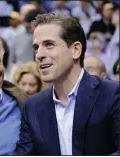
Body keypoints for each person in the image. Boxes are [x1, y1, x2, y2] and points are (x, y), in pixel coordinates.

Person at [15, 13, 119, 155]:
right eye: (36, 47)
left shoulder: (112, 94)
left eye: (49, 45)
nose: (39, 55)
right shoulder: (32, 107)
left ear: (75, 50)